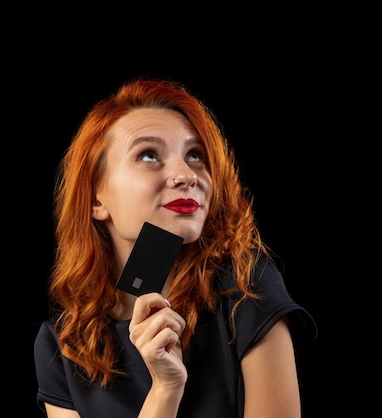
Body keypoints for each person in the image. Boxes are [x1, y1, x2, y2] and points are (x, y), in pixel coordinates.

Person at [34, 77, 318, 418]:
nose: (187, 175)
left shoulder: (245, 288)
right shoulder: (63, 345)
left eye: (195, 155)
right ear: (97, 197)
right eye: (149, 155)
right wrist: (165, 391)